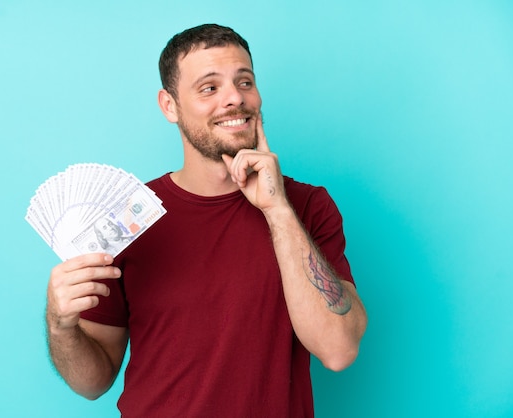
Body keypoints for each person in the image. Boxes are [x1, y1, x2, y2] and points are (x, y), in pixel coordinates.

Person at [45, 23, 367, 417]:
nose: (234, 98)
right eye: (210, 88)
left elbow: (338, 350)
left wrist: (277, 210)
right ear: (170, 105)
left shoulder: (307, 206)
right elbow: (92, 383)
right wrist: (61, 327)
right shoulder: (127, 217)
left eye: (244, 82)